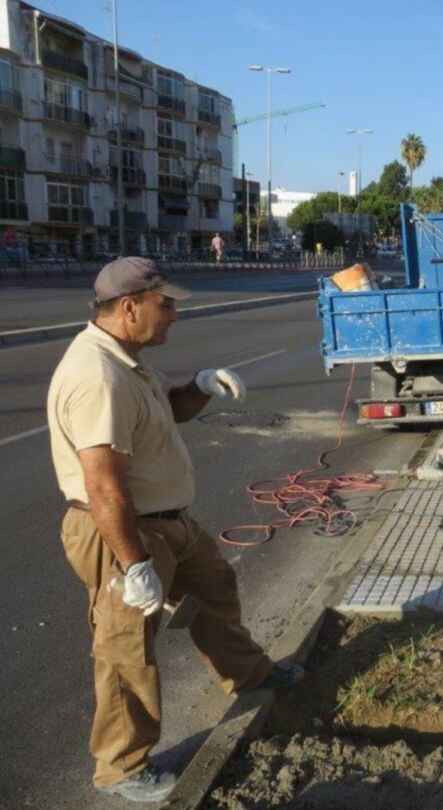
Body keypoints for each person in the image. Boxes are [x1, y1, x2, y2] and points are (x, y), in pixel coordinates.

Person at [46, 257, 304, 803]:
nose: (174, 316)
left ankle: (249, 673)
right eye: (167, 306)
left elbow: (172, 408)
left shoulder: (128, 361)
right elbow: (104, 487)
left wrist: (203, 386)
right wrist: (134, 564)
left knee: (214, 591)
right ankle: (120, 767)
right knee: (125, 648)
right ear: (129, 306)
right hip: (121, 529)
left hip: (167, 523)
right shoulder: (97, 376)